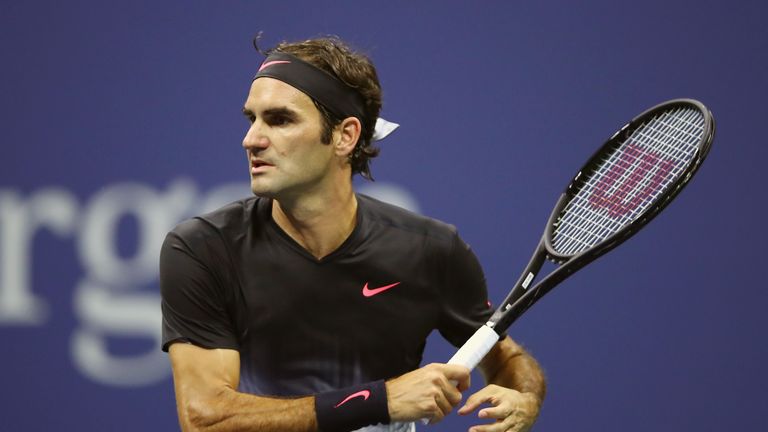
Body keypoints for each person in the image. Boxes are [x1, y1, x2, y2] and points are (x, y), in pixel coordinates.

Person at [160, 36, 546, 432]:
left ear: (345, 136)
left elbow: (506, 358)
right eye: (252, 119)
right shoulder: (202, 248)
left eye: (279, 120)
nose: (252, 139)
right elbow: (205, 418)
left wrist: (524, 398)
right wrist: (380, 401)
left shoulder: (432, 251)